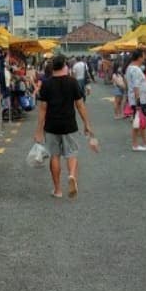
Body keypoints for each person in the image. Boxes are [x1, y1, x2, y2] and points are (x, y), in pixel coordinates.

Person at [34, 55, 93, 198]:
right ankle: (72, 175)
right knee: (71, 154)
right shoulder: (72, 82)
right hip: (69, 125)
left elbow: (43, 108)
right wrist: (87, 124)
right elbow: (80, 105)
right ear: (65, 66)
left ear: (52, 67)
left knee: (54, 156)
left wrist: (39, 131)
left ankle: (57, 190)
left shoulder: (46, 84)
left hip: (52, 125)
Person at [125, 49, 146, 151]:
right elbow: (136, 86)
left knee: (141, 121)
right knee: (137, 122)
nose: (145, 58)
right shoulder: (135, 69)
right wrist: (138, 101)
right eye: (143, 56)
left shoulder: (131, 68)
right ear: (140, 57)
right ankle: (135, 144)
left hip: (138, 98)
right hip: (139, 99)